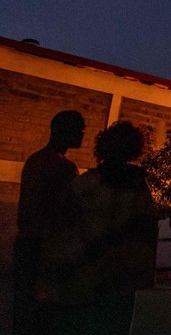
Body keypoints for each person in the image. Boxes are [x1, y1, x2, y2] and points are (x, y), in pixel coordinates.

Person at [38, 121, 158, 335]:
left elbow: (62, 230)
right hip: (119, 280)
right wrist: (143, 274)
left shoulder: (85, 183)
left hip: (84, 277)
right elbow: (147, 232)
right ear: (135, 149)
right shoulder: (138, 188)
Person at [12, 110, 85, 335]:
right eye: (78, 129)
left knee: (24, 312)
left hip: (27, 243)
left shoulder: (35, 160)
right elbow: (73, 211)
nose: (82, 134)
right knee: (44, 315)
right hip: (48, 248)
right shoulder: (64, 167)